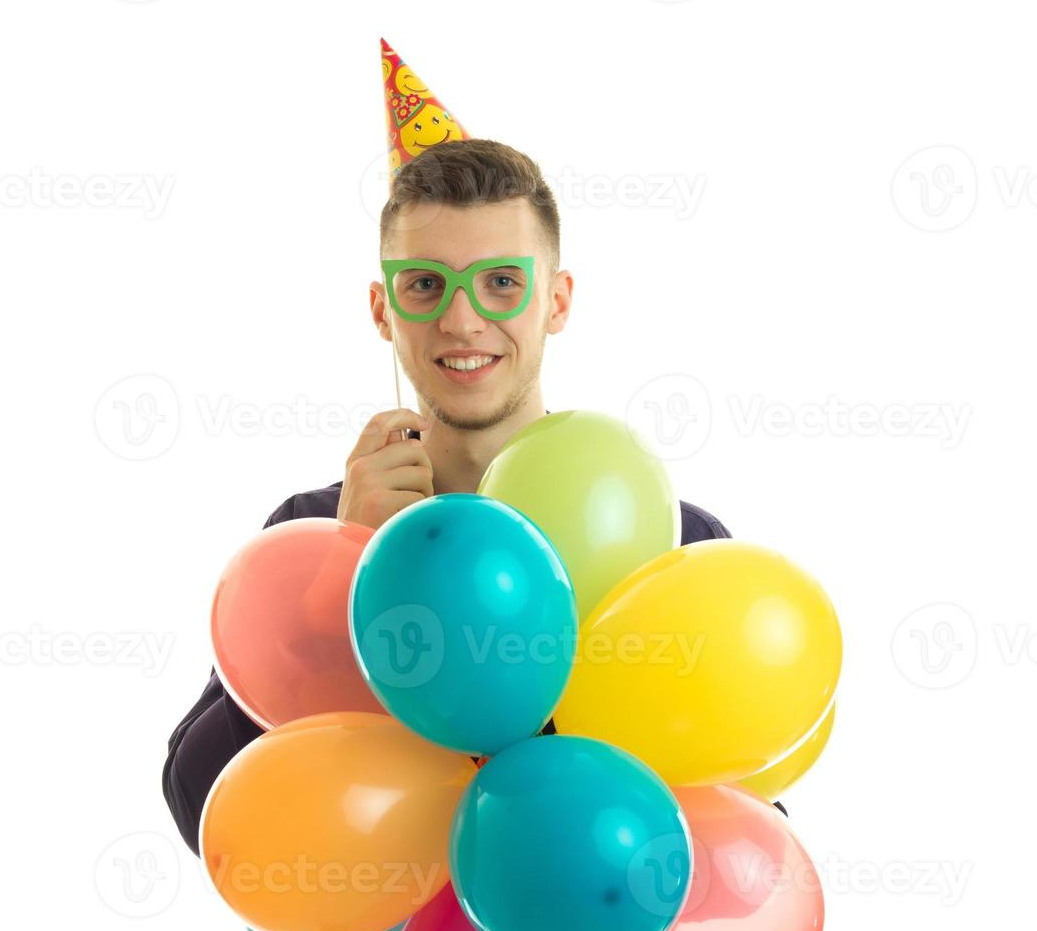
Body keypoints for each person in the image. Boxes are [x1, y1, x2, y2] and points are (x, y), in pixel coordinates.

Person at [161, 137, 769, 856]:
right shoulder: (312, 533)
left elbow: (745, 822)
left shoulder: (663, 535)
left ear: (558, 301)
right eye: (425, 285)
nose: (462, 321)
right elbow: (201, 803)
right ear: (383, 309)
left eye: (501, 282)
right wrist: (344, 573)